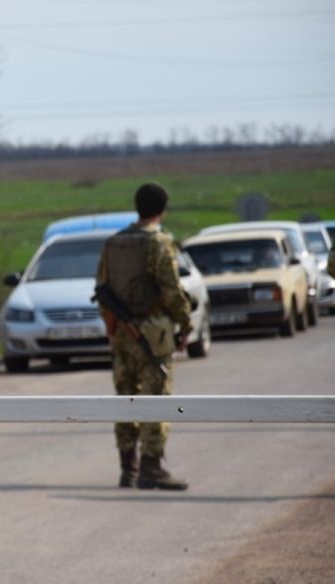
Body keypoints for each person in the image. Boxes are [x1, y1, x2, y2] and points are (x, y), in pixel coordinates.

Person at [96, 183, 192, 491]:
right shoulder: (159, 242)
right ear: (162, 209)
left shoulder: (114, 243)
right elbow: (171, 289)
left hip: (123, 335)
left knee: (126, 398)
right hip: (153, 334)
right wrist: (185, 323)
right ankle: (151, 467)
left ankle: (128, 468)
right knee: (156, 398)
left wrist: (113, 327)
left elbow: (102, 286)